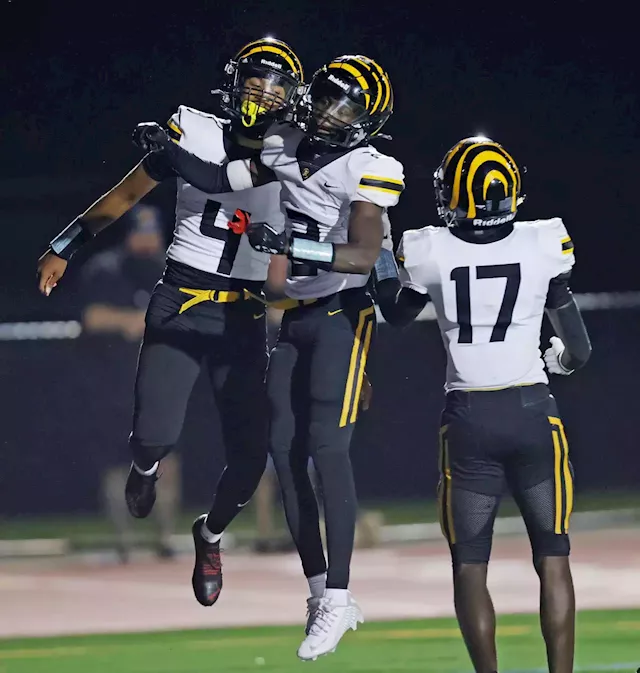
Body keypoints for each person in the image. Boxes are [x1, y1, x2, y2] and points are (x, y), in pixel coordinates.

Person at [135, 54, 404, 660]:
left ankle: (339, 597)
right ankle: (317, 595)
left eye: (348, 106)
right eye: (330, 95)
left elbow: (361, 255)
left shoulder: (370, 165)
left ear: (367, 122)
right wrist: (165, 150)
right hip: (297, 316)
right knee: (283, 456)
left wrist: (290, 243)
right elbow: (216, 179)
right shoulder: (283, 142)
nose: (333, 111)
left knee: (327, 451)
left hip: (343, 314)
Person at [36, 37, 305, 607]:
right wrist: (65, 242)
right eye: (254, 79)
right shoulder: (197, 129)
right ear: (233, 83)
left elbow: (297, 213)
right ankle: (146, 464)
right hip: (182, 298)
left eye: (275, 84)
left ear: (294, 98)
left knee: (252, 456)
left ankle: (209, 536)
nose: (262, 92)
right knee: (155, 434)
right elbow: (128, 192)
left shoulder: (300, 152)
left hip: (245, 310)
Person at [377, 136, 592, 673]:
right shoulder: (543, 243)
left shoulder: (428, 250)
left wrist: (380, 255)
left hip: (470, 418)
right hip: (532, 413)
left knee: (470, 564)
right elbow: (580, 351)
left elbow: (395, 313)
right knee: (553, 555)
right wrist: (560, 361)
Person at [77, 205, 180, 562]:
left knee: (167, 461)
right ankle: (124, 542)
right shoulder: (106, 270)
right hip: (112, 385)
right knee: (117, 464)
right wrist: (132, 320)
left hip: (158, 383)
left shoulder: (168, 269)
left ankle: (165, 538)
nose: (147, 244)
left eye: (153, 236)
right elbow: (91, 317)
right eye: (141, 235)